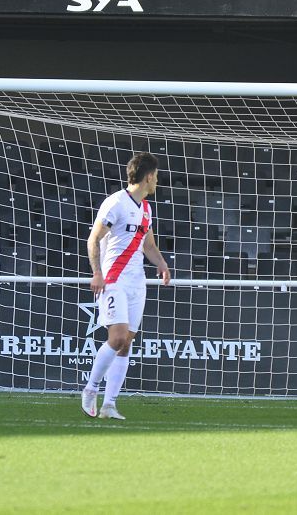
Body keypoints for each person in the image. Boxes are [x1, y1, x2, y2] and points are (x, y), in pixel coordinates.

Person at [81, 152, 171, 420]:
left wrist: (162, 264)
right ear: (149, 176)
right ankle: (90, 389)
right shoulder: (116, 203)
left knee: (126, 344)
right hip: (114, 280)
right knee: (117, 338)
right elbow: (93, 239)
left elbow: (149, 245)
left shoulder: (146, 209)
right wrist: (97, 273)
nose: (157, 183)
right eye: (156, 177)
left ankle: (109, 404)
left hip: (136, 283)